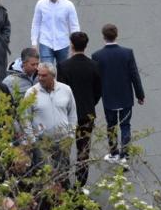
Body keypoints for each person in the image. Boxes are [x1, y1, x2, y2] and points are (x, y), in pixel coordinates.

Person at [92, 23, 144, 164]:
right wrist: (140, 95)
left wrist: (95, 98)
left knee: (111, 125)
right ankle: (124, 155)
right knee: (125, 125)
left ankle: (113, 153)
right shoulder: (127, 53)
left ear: (103, 36)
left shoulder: (97, 56)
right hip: (125, 96)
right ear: (117, 35)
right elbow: (134, 75)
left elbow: (96, 80)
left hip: (108, 97)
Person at [57, 31, 103, 188]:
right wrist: (90, 103)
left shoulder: (63, 66)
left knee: (65, 149)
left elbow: (60, 91)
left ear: (71, 45)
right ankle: (80, 183)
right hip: (87, 113)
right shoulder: (94, 66)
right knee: (83, 150)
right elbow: (98, 90)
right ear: (86, 45)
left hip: (68, 115)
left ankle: (64, 182)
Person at [24, 62, 77, 188]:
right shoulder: (31, 93)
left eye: (44, 75)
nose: (40, 78)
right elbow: (25, 118)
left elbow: (72, 114)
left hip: (63, 142)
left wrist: (71, 135)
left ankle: (64, 203)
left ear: (53, 76)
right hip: (42, 144)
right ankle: (46, 205)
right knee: (44, 177)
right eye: (39, 75)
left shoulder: (66, 90)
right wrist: (33, 141)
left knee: (63, 175)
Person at [31, 0, 79, 66]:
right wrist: (34, 43)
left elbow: (74, 26)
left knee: (63, 71)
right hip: (45, 42)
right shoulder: (40, 4)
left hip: (63, 43)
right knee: (47, 70)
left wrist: (75, 45)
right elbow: (36, 24)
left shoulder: (68, 5)